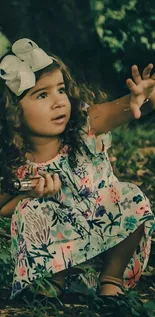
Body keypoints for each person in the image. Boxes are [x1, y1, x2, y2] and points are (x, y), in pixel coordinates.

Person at [0, 38, 155, 302]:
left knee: (130, 196)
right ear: (13, 112)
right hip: (60, 252)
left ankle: (111, 278)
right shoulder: (16, 161)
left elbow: (126, 108)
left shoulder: (84, 125)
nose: (59, 101)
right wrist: (30, 195)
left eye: (61, 89)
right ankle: (53, 282)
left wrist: (142, 98)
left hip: (105, 236)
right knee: (31, 211)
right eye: (42, 95)